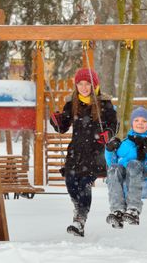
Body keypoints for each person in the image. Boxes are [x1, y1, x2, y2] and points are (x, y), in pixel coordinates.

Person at [50, 68, 117, 237]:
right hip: (76, 151)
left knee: (85, 184)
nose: (84, 87)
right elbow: (63, 127)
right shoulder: (72, 102)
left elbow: (113, 125)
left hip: (95, 152)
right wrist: (56, 121)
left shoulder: (104, 103)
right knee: (71, 182)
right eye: (80, 84)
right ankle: (78, 206)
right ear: (76, 85)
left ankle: (80, 219)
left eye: (88, 84)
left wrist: (107, 133)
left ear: (94, 85)